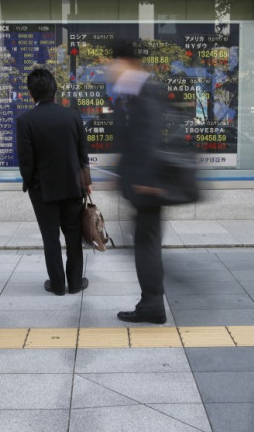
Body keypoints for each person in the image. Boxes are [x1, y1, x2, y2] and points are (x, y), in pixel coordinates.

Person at [108, 40, 169, 324]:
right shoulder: (134, 90)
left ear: (126, 61)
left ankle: (153, 304)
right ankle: (151, 301)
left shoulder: (145, 90)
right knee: (145, 244)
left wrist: (144, 179)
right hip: (142, 184)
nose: (109, 68)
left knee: (146, 246)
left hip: (147, 187)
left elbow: (149, 136)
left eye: (113, 61)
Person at [17, 67, 91, 295]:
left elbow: (26, 161)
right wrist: (86, 182)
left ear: (31, 94)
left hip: (43, 191)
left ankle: (57, 285)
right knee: (73, 236)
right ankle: (75, 283)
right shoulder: (73, 116)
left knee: (50, 238)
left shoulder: (25, 120)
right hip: (73, 187)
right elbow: (82, 154)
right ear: (55, 92)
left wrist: (30, 183)